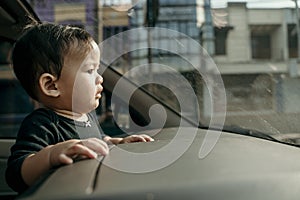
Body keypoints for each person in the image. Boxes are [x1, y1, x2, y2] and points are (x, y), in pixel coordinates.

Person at [5, 22, 154, 193]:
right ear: (51, 85)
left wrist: (117, 142)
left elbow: (99, 139)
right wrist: (51, 155)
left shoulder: (86, 116)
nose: (100, 79)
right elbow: (15, 174)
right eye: (90, 70)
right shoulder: (42, 124)